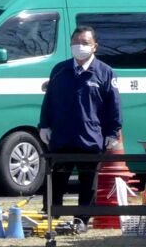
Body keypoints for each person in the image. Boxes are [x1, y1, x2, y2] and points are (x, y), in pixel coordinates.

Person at [39, 25, 122, 225]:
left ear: (95, 46)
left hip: (91, 137)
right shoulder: (60, 70)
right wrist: (44, 125)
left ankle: (82, 220)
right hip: (62, 136)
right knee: (56, 179)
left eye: (85, 43)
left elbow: (114, 105)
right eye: (76, 43)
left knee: (88, 182)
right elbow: (49, 101)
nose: (80, 46)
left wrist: (113, 132)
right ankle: (51, 216)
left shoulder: (105, 72)